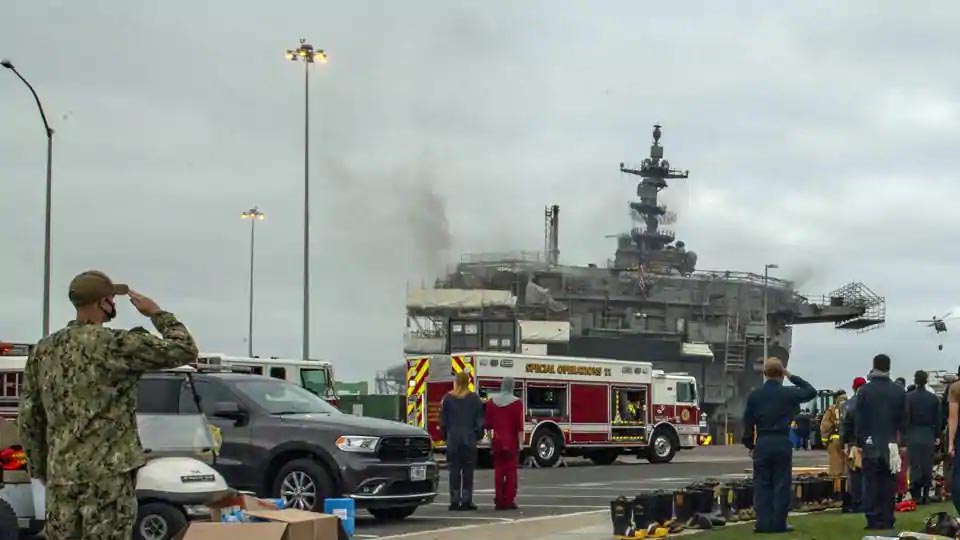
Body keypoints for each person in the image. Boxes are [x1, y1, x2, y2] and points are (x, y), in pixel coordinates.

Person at [18, 271, 199, 540]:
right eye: (112, 299)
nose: (113, 304)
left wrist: (41, 469)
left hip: (62, 474)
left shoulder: (43, 350)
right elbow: (184, 349)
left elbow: (29, 416)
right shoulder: (116, 344)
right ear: (102, 302)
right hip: (108, 475)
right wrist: (156, 313)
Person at [742, 357, 817, 534]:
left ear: (764, 373)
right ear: (781, 374)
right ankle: (779, 523)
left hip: (763, 441)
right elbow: (811, 391)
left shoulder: (755, 395)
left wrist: (750, 444)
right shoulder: (788, 393)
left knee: (762, 485)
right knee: (781, 484)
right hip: (782, 441)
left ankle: (762, 522)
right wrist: (791, 376)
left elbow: (747, 422)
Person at [854, 354, 906, 531]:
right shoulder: (899, 391)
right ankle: (887, 517)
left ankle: (873, 518)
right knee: (888, 483)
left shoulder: (864, 391)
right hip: (891, 443)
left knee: (871, 483)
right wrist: (901, 441)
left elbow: (859, 418)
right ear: (889, 367)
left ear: (874, 366)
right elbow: (903, 419)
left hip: (871, 442)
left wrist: (859, 440)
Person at [440, 371, 484, 511]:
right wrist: (478, 435)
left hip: (453, 440)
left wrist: (445, 437)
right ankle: (466, 500)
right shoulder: (474, 399)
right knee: (468, 471)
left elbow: (443, 422)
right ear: (468, 382)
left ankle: (454, 500)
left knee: (454, 471)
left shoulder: (447, 399)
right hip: (468, 439)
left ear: (456, 382)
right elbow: (480, 421)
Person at [484, 377, 523, 510]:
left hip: (497, 442)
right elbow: (519, 426)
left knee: (499, 472)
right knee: (511, 472)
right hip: (511, 442)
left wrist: (490, 441)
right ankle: (509, 500)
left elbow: (488, 425)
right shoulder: (517, 403)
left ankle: (499, 500)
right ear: (512, 386)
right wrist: (521, 444)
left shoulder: (491, 402)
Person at [905, 370, 940, 504]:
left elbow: (906, 417)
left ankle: (916, 495)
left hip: (913, 433)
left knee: (915, 465)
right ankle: (926, 493)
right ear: (926, 381)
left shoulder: (908, 398)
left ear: (915, 380)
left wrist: (905, 435)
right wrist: (936, 435)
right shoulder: (933, 398)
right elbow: (938, 419)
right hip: (928, 433)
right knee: (927, 464)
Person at [842, 376, 867, 513]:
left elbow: (845, 424)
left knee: (855, 473)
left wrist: (844, 442)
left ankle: (857, 502)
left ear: (853, 387)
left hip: (854, 443)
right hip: (869, 442)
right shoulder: (872, 402)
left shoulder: (849, 404)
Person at [821, 391, 846, 477]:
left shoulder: (831, 410)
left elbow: (825, 427)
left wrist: (824, 440)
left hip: (835, 440)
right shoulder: (852, 406)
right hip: (849, 441)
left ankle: (837, 482)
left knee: (836, 466)